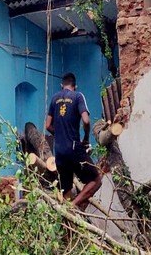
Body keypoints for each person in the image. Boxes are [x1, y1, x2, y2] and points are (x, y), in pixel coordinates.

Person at [46, 72, 102, 210]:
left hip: (59, 152)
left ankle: (69, 222)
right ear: (74, 86)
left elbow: (48, 125)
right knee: (96, 180)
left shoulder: (54, 98)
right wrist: (87, 138)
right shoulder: (78, 96)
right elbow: (86, 121)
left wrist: (59, 135)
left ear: (62, 85)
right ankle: (74, 205)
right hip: (74, 148)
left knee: (66, 192)